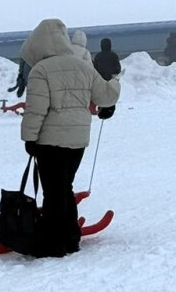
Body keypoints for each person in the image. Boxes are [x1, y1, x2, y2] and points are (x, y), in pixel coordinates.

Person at [19, 18, 121, 257]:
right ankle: (71, 238)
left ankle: (53, 243)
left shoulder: (41, 70)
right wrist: (115, 80)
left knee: (54, 192)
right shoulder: (82, 66)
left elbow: (36, 109)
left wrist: (29, 138)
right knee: (64, 187)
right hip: (78, 139)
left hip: (50, 140)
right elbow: (105, 96)